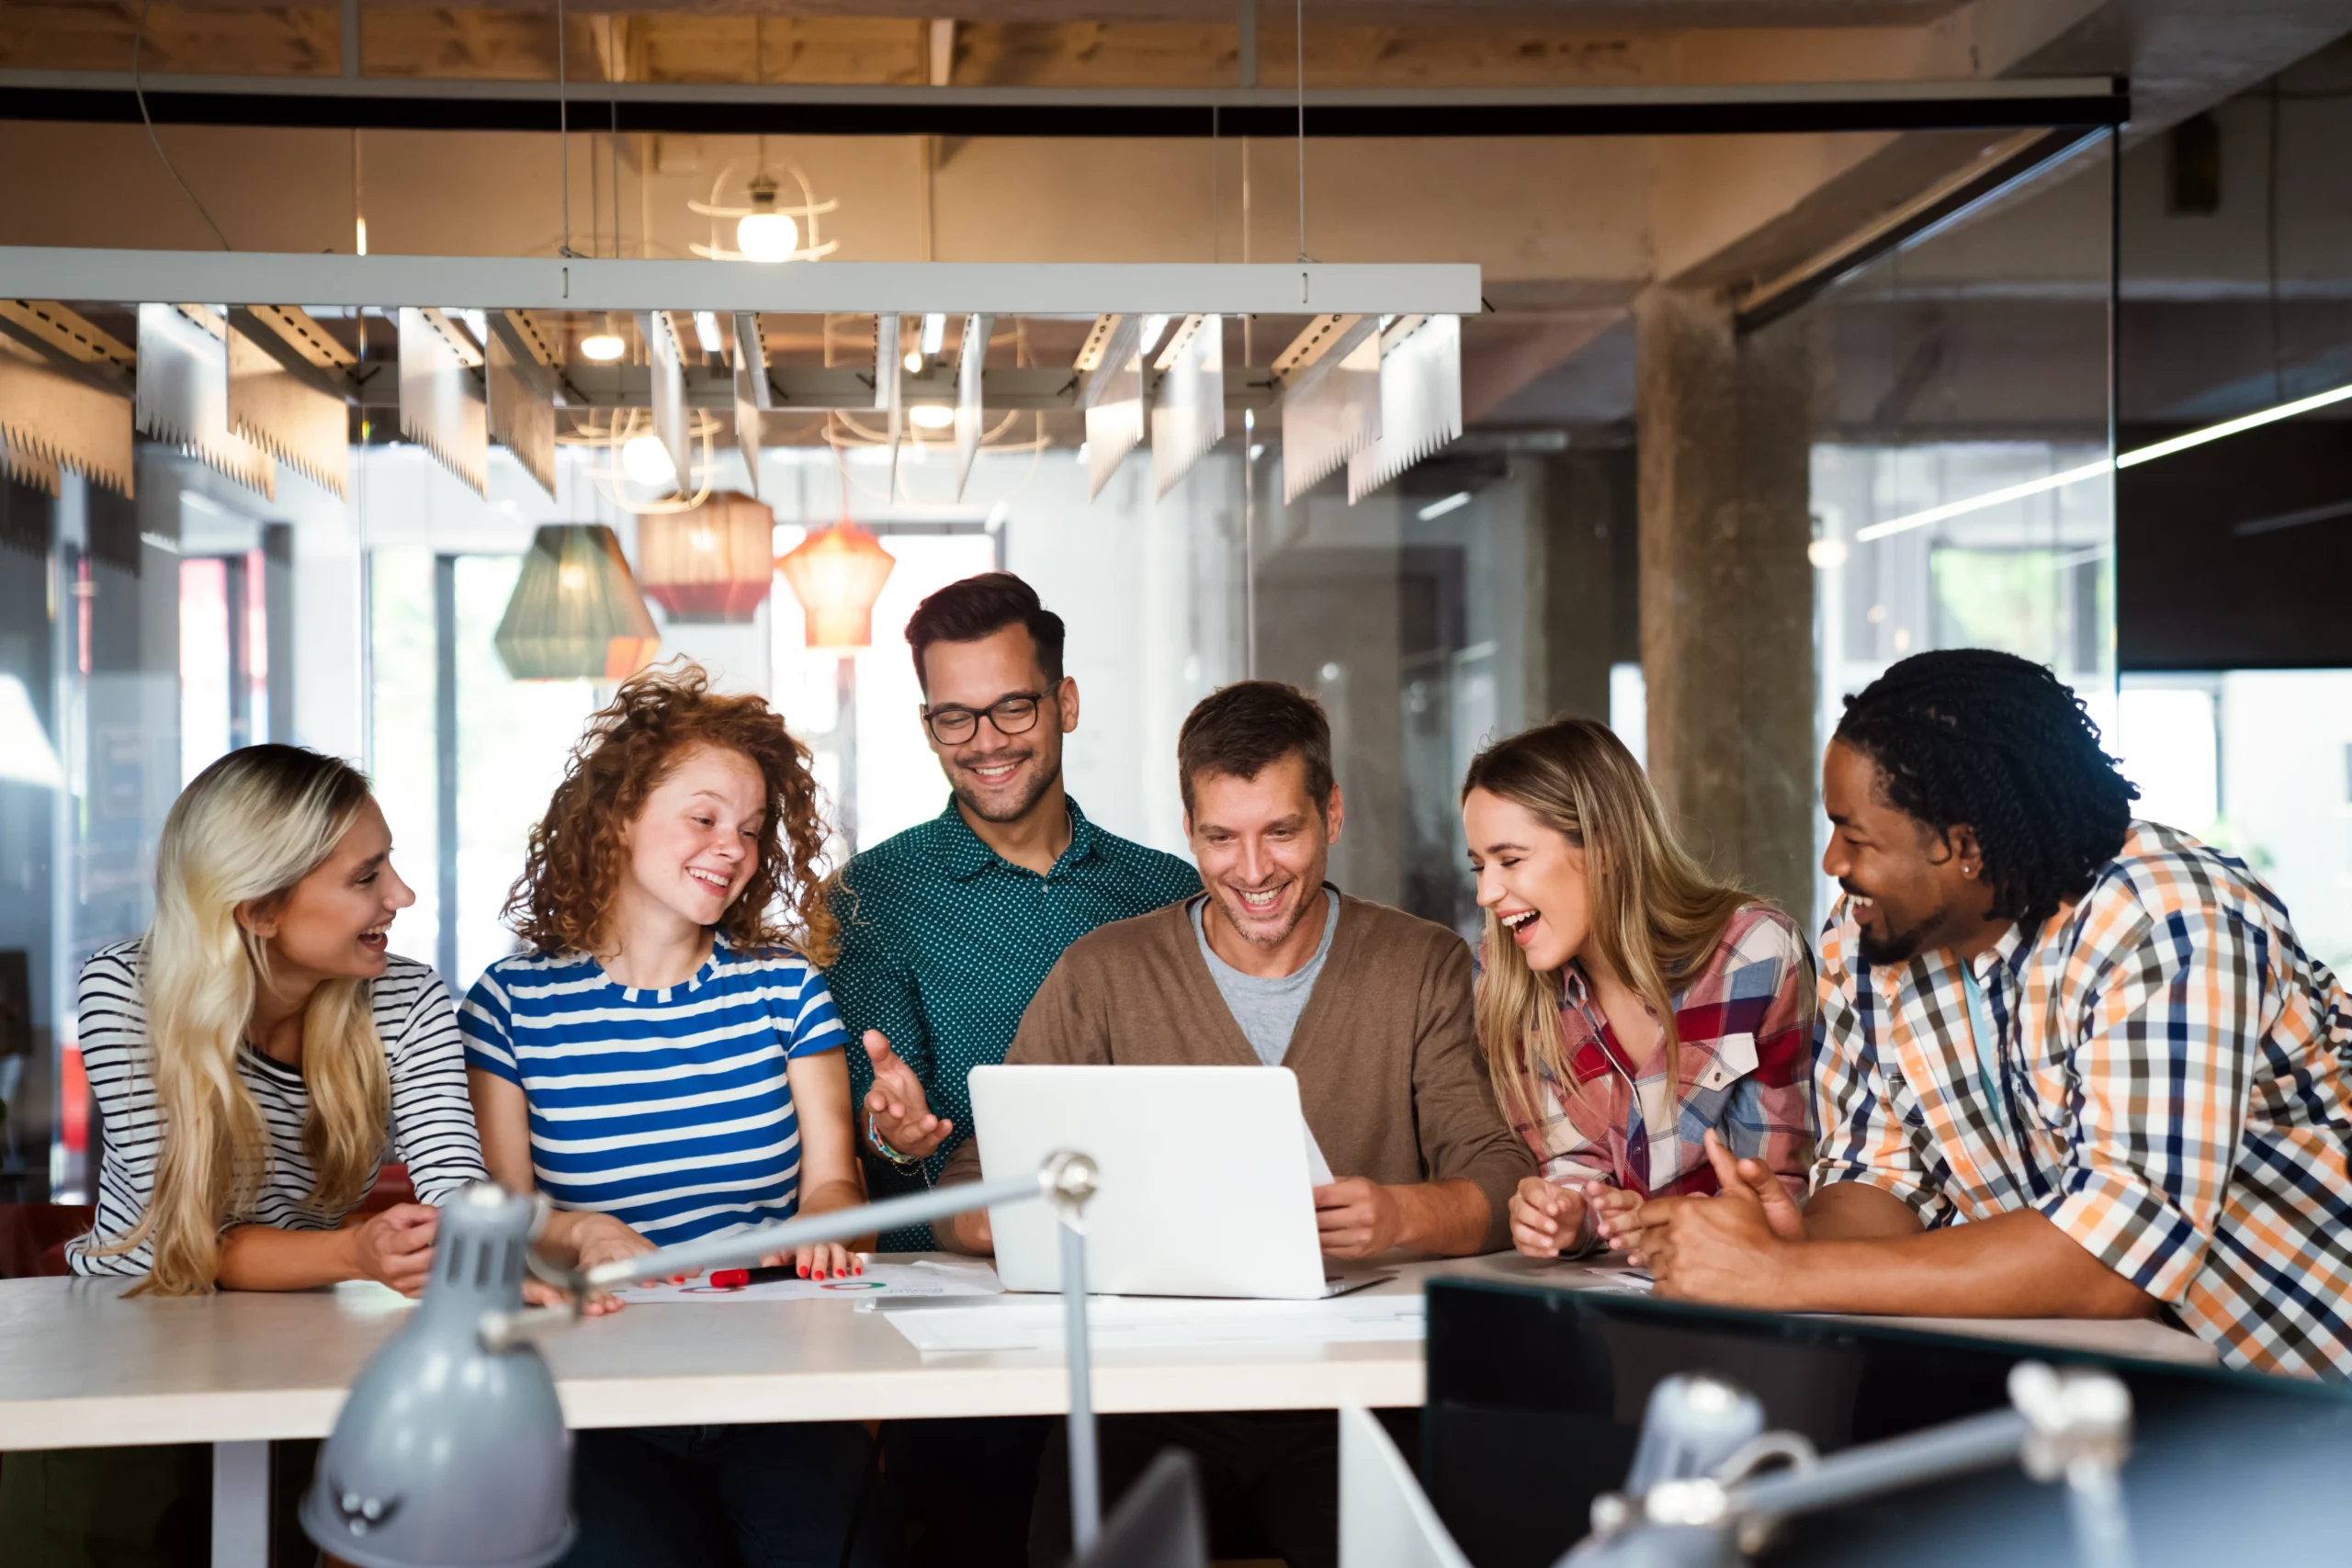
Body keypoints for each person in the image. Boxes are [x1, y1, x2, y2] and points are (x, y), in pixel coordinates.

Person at [1606, 649, 2352, 1381]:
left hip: (2308, 1372)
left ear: (1963, 845)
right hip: (2137, 1392)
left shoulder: (2164, 920)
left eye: (1856, 835)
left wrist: (1780, 1276)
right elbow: (1884, 1179)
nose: (1832, 860)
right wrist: (1792, 1240)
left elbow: (2115, 1259)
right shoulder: (1864, 940)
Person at [938, 679, 1532, 1568]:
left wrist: (1398, 1216)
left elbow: (1497, 1173)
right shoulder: (1104, 974)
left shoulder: (1421, 965)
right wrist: (998, 1219)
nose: (1251, 871)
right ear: (1189, 832)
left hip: (1351, 1397)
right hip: (1147, 1400)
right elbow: (965, 1182)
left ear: (1331, 815)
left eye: (1280, 832)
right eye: (1221, 837)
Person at [1, 744, 488, 1565]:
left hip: (301, 1345)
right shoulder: (126, 988)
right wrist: (354, 1250)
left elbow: (458, 1189)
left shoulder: (408, 998)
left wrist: (489, 1242)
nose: (400, 896)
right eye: (366, 877)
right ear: (258, 908)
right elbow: (181, 1246)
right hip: (123, 1339)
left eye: (390, 867)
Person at [460, 663, 881, 1568]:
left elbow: (835, 1179)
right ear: (617, 816)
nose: (731, 847)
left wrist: (822, 1225)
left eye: (750, 829)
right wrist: (580, 1230)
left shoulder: (783, 988)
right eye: (702, 818)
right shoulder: (511, 1004)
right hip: (595, 1391)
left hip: (777, 1383)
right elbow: (500, 1216)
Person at [820, 572, 1198, 1568]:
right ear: (927, 723)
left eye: (1012, 707)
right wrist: (882, 1126)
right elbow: (867, 1093)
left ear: (1063, 703)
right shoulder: (872, 898)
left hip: (1140, 1304)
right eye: (954, 717)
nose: (984, 741)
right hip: (951, 1316)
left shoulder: (1166, 893)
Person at [1459, 717, 1813, 1262]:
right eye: (1480, 866)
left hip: (1748, 1287)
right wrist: (1568, 1218)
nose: (1486, 892)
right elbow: (1574, 1172)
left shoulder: (1754, 953)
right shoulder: (1505, 984)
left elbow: (1782, 1185)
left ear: (1606, 849)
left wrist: (1686, 1227)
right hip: (1614, 1297)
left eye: (1510, 860)